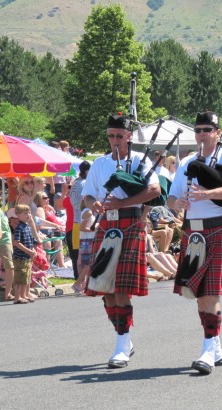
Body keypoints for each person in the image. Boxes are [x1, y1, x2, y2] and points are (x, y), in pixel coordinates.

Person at [168, 110, 222, 375]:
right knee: (200, 295)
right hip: (193, 233)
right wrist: (176, 204)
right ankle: (215, 346)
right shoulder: (186, 162)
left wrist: (208, 194)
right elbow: (171, 197)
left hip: (218, 228)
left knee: (210, 293)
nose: (201, 134)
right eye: (198, 129)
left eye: (207, 130)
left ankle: (207, 351)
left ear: (217, 132)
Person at [82, 114, 161, 369]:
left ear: (128, 136)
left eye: (119, 136)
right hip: (106, 225)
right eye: (111, 136)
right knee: (105, 289)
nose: (114, 140)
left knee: (121, 289)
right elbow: (88, 194)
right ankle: (123, 339)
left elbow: (154, 191)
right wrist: (92, 203)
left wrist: (122, 202)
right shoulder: (100, 163)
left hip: (130, 222)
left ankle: (121, 343)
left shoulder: (140, 160)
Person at [68, 160, 91, 280]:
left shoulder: (75, 184)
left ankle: (81, 281)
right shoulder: (84, 183)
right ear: (87, 171)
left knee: (79, 255)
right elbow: (80, 204)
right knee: (82, 255)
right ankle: (81, 281)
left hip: (77, 222)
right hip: (83, 221)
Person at [12, 205, 37, 304]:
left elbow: (30, 241)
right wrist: (29, 251)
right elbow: (16, 243)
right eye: (25, 213)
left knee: (26, 277)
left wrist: (33, 250)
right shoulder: (19, 228)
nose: (28, 215)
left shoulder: (27, 226)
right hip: (20, 257)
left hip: (27, 256)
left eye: (29, 213)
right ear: (18, 215)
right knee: (20, 277)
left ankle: (24, 295)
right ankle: (17, 297)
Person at [71, 201, 95, 293]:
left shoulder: (87, 211)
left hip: (87, 239)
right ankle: (78, 284)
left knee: (86, 263)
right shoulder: (88, 212)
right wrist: (95, 228)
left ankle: (84, 285)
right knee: (89, 263)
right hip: (87, 240)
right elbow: (82, 227)